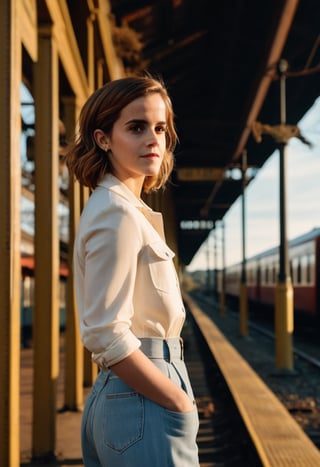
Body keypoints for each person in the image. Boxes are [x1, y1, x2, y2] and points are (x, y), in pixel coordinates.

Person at [66, 75, 199, 467]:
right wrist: (177, 401)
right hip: (146, 397)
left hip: (129, 397)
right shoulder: (118, 213)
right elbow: (105, 331)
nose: (153, 139)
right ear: (103, 138)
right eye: (136, 127)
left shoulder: (121, 209)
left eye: (160, 128)